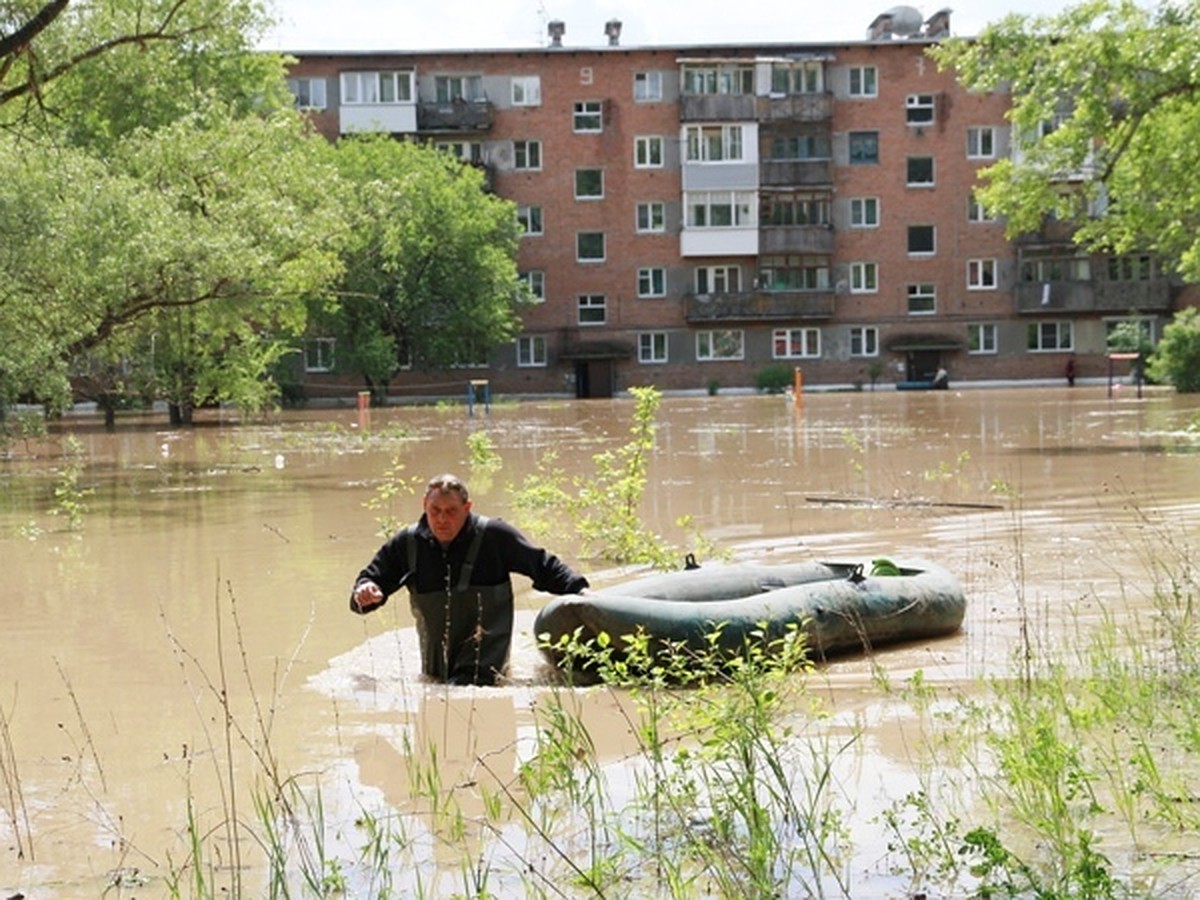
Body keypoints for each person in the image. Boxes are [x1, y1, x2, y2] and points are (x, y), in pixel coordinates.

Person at [350, 473, 589, 686]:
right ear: (424, 506)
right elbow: (371, 580)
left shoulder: (495, 536)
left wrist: (581, 592)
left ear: (467, 508)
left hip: (487, 673)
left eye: (451, 511)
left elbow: (543, 566)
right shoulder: (407, 544)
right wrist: (366, 591)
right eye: (435, 511)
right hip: (436, 675)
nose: (442, 519)